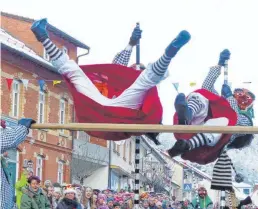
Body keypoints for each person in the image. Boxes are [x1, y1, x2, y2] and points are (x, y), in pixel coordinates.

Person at [30, 18, 190, 142]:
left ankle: (170, 52)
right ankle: (43, 37)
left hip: (117, 113)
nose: (135, 68)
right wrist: (131, 44)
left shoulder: (138, 85)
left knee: (74, 72)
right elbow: (118, 67)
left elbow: (145, 77)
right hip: (101, 108)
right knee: (74, 72)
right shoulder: (124, 77)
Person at [168, 49, 255, 164]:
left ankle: (186, 145)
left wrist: (229, 98)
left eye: (245, 98)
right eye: (238, 94)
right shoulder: (221, 104)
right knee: (202, 96)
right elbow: (206, 87)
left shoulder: (247, 122)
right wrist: (219, 65)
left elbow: (236, 119)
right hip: (192, 130)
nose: (240, 98)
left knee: (224, 121)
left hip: (208, 147)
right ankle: (186, 116)